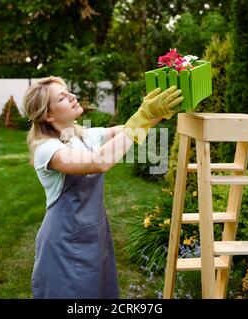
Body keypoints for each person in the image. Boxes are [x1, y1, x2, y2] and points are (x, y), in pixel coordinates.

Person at [23, 76, 183, 299]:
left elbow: (128, 130)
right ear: (48, 115)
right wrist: (143, 116)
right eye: (62, 97)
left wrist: (156, 112)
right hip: (64, 242)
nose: (72, 97)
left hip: (95, 234)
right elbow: (98, 162)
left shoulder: (84, 135)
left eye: (69, 91)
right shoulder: (48, 150)